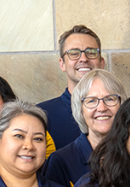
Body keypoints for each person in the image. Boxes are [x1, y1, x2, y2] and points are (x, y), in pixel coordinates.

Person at [45, 68, 125, 187]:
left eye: (109, 99)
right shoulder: (61, 161)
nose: (102, 108)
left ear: (122, 106)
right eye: (91, 101)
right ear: (80, 110)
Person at [38, 25, 107, 155]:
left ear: (101, 63)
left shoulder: (119, 113)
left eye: (91, 52)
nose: (83, 59)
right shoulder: (42, 115)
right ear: (62, 64)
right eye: (74, 53)